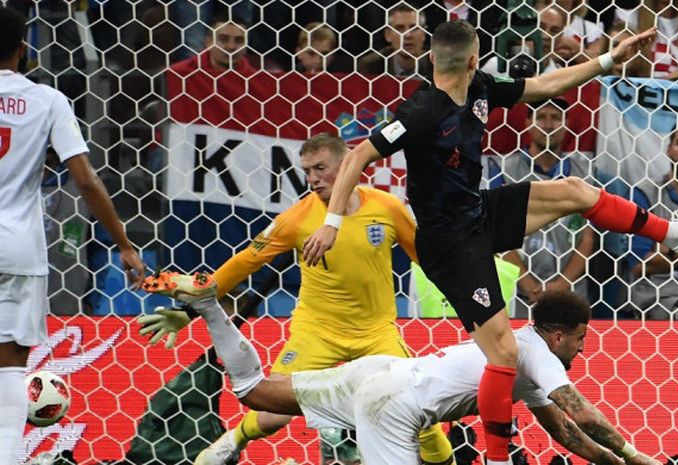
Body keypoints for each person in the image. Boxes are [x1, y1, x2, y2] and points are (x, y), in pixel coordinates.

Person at [302, 20, 678, 465]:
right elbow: (357, 154)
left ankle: (677, 235)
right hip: (450, 244)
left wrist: (608, 60)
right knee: (505, 350)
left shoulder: (483, 86)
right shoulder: (421, 111)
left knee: (575, 190)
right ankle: (496, 458)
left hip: (480, 212)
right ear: (473, 59)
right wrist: (332, 221)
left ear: (434, 58)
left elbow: (544, 83)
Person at [139, 134, 454, 465]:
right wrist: (188, 311)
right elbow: (245, 261)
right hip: (316, 332)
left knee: (418, 415)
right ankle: (232, 441)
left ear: (349, 164)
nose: (313, 178)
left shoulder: (387, 207)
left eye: (320, 168)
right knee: (273, 411)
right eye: (307, 171)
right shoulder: (297, 218)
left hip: (376, 332)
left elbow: (426, 257)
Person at [141, 274, 662, 465]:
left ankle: (210, 307)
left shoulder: (520, 351)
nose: (581, 350)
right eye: (580, 340)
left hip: (380, 372)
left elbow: (565, 433)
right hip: (395, 405)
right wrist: (637, 452)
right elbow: (585, 415)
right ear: (558, 333)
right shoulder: (541, 353)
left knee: (255, 393)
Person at [0, 7, 146, 465]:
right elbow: (86, 180)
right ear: (24, 50)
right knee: (10, 366)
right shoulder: (47, 99)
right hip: (19, 249)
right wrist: (123, 242)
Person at [494, 98, 595, 316]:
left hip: (570, 294)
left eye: (556, 118)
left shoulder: (584, 174)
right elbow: (496, 236)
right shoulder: (504, 171)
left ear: (567, 123)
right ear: (528, 122)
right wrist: (528, 284)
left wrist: (561, 285)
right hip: (517, 294)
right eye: (541, 117)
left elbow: (588, 238)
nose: (548, 125)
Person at [628, 119, 678, 320]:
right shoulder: (644, 195)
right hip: (657, 296)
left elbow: (658, 256)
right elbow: (640, 265)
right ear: (668, 150)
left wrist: (670, 248)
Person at [358, 2, 432, 82]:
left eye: (414, 28)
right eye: (399, 28)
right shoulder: (370, 66)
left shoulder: (439, 64)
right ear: (388, 35)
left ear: (424, 34)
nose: (407, 35)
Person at [170, 15, 257, 77]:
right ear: (208, 42)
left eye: (239, 40)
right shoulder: (180, 74)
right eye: (223, 39)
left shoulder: (256, 80)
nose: (231, 46)